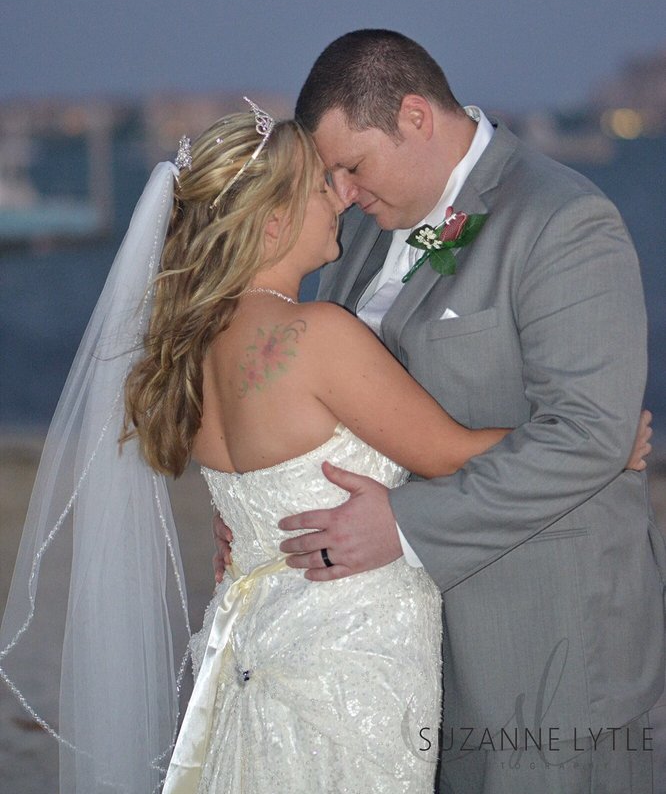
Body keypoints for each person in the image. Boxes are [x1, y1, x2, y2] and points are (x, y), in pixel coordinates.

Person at [8, 101, 646, 794]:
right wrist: (598, 441)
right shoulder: (316, 335)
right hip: (348, 655)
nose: (340, 198)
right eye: (320, 186)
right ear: (273, 221)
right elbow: (451, 453)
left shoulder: (191, 351)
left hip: (252, 646)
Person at [261, 29, 665, 794]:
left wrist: (404, 525)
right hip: (397, 643)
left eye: (352, 165)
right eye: (330, 175)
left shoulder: (562, 219)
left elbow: (588, 434)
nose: (342, 192)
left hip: (542, 636)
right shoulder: (357, 236)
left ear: (415, 117)